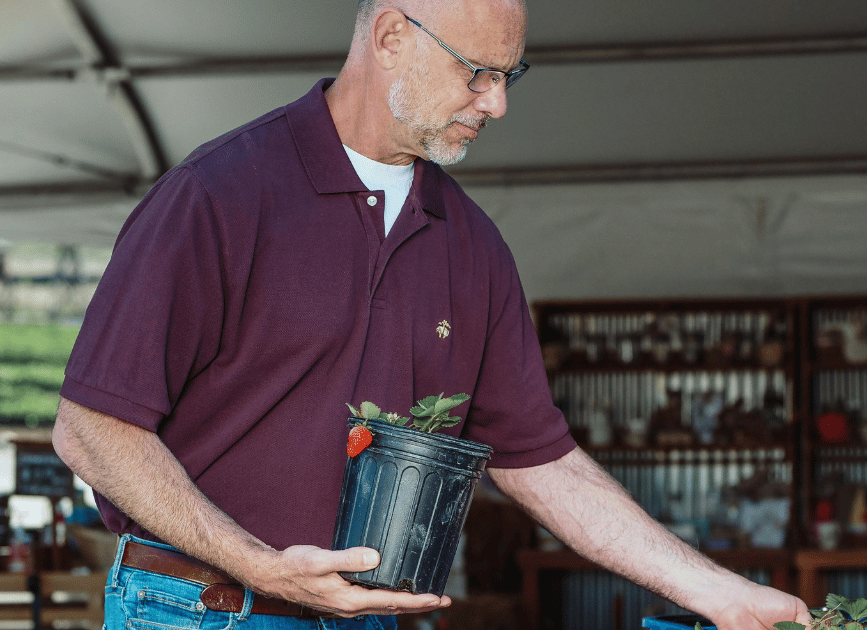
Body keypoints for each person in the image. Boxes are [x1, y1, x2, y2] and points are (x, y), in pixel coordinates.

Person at [52, 1, 813, 629]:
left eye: (511, 76)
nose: (498, 102)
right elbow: (92, 428)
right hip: (195, 608)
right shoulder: (219, 195)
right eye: (476, 72)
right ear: (390, 36)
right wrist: (260, 566)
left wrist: (716, 591)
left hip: (365, 617)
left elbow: (539, 458)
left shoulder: (471, 245)